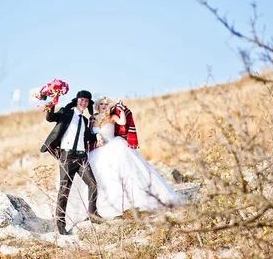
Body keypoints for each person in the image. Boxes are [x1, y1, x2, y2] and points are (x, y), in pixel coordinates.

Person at [67, 96, 184, 226]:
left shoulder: (112, 116)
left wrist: (121, 108)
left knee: (122, 175)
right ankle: (94, 208)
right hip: (98, 151)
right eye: (101, 104)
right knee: (99, 178)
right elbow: (89, 134)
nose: (104, 106)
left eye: (106, 104)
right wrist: (97, 136)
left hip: (114, 146)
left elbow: (123, 122)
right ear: (97, 105)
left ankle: (125, 205)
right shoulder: (92, 118)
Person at [40, 90, 101, 235]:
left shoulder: (85, 121)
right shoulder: (66, 113)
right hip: (67, 156)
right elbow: (50, 117)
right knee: (64, 190)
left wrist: (98, 135)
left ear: (88, 104)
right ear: (77, 100)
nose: (83, 102)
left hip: (82, 157)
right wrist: (52, 101)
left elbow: (88, 139)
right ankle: (60, 224)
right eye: (81, 99)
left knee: (93, 184)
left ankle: (93, 216)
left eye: (86, 101)